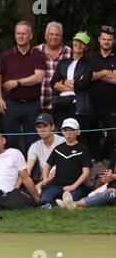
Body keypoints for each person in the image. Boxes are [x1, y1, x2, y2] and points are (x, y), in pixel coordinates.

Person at [0, 20, 46, 151]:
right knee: (10, 142)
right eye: (18, 33)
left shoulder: (38, 55)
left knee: (33, 143)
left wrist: (17, 82)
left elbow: (38, 77)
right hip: (12, 104)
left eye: (24, 33)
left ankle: (30, 172)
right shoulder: (7, 55)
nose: (20, 36)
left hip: (32, 105)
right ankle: (12, 172)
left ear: (30, 36)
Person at [39, 118, 92, 208]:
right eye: (65, 130)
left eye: (71, 130)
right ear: (62, 132)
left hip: (75, 186)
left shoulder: (83, 149)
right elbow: (48, 165)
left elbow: (86, 172)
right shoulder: (58, 149)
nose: (68, 133)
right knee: (45, 198)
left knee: (72, 198)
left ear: (78, 132)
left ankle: (61, 203)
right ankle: (56, 203)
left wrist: (73, 186)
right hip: (57, 184)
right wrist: (45, 178)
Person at [50, 31, 93, 133]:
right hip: (61, 103)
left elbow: (82, 84)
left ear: (86, 47)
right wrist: (72, 83)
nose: (78, 44)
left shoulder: (88, 64)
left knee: (77, 136)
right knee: (61, 135)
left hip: (78, 105)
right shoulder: (63, 63)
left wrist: (63, 81)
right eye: (77, 41)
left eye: (82, 42)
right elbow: (53, 83)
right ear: (73, 42)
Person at [16, 113, 65, 194]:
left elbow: (61, 169)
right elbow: (27, 170)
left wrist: (39, 185)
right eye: (39, 127)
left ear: (52, 127)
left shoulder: (63, 141)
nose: (42, 130)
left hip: (62, 178)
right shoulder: (35, 146)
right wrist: (16, 189)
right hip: (46, 180)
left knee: (39, 191)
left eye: (45, 126)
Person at [88, 25, 116, 161]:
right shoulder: (91, 57)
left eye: (109, 39)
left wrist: (96, 74)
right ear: (99, 40)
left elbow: (115, 79)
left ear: (113, 41)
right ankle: (93, 161)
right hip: (92, 104)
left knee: (113, 135)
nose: (106, 42)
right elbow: (87, 77)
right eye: (104, 39)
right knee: (92, 135)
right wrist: (105, 72)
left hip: (111, 105)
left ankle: (101, 158)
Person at [34, 22, 72, 112]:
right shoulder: (35, 52)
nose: (54, 37)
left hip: (63, 104)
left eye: (57, 35)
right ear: (46, 36)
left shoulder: (70, 52)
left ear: (61, 37)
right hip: (38, 104)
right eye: (51, 34)